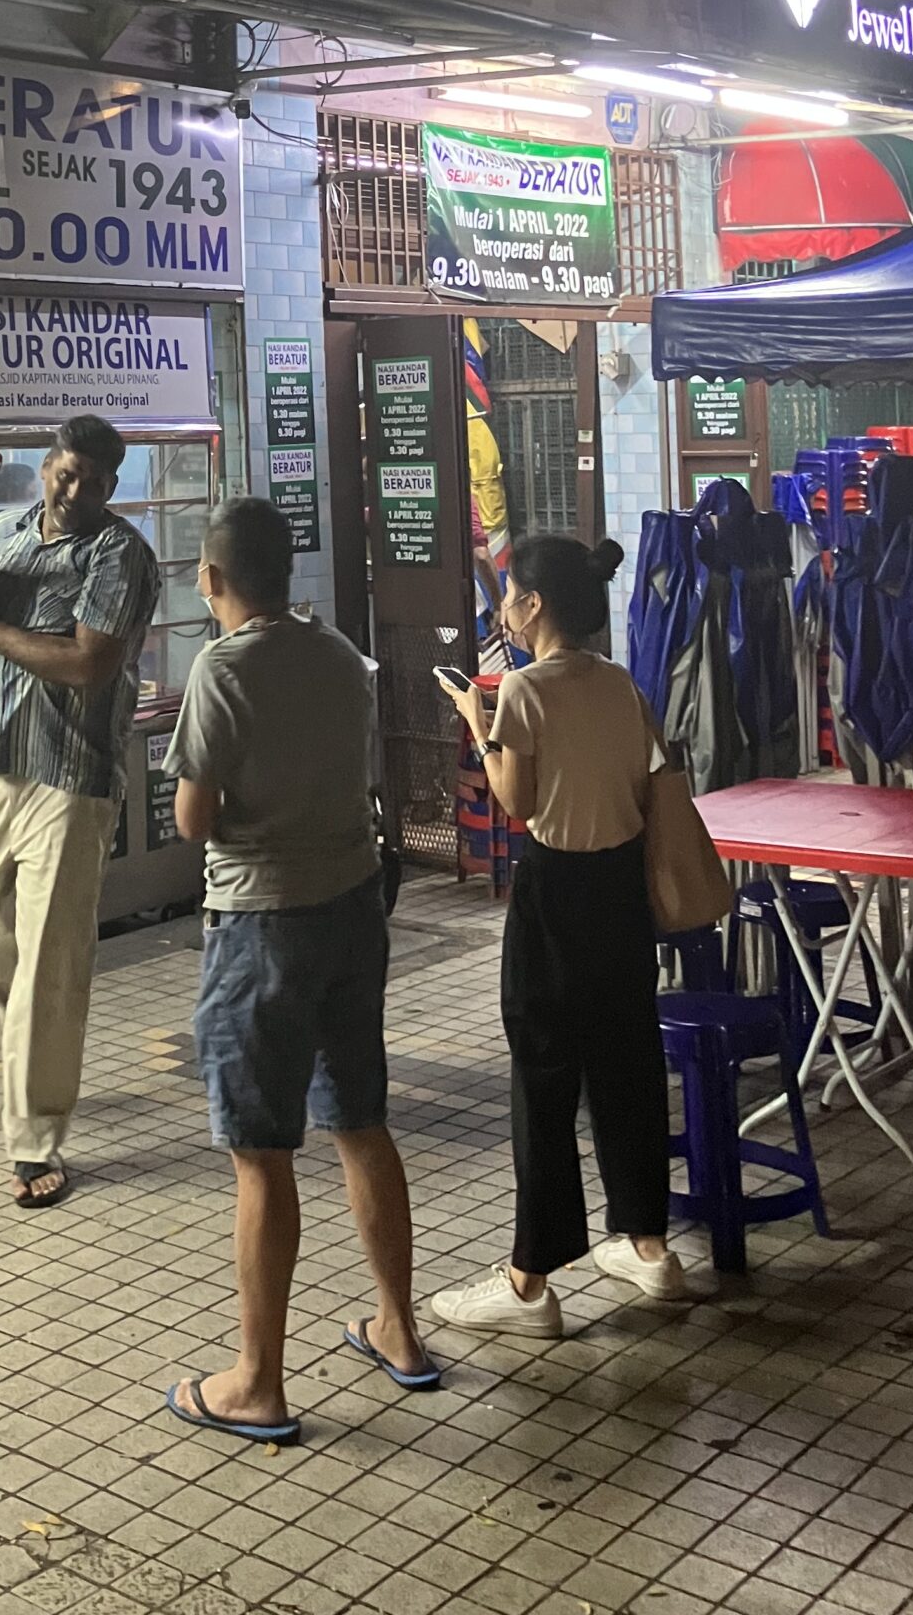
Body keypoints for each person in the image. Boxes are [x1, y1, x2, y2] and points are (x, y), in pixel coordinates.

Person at [162, 496, 433, 1447]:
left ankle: (258, 1383)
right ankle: (399, 1327)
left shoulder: (222, 668)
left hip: (261, 922)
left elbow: (195, 816)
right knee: (361, 1122)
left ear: (212, 579)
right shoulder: (335, 653)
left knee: (261, 1152)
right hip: (354, 907)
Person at [435, 533, 687, 1336]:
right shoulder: (620, 685)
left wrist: (477, 723)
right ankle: (649, 1246)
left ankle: (529, 1283)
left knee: (544, 1073)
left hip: (554, 890)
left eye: (510, 594)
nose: (504, 607)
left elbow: (516, 799)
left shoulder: (522, 691)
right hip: (620, 892)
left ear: (535, 605)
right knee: (628, 1058)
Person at [0, 413, 159, 1211]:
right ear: (46, 465)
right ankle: (39, 1032)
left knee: (51, 951)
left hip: (69, 779)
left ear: (111, 488)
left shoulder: (122, 555)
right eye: (65, 471)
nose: (74, 488)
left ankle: (35, 1134)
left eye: (92, 480)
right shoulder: (5, 536)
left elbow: (89, 662)